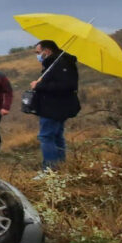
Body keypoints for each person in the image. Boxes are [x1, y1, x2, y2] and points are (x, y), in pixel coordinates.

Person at [30, 40, 81, 170]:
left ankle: (50, 169)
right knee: (57, 136)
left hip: (54, 107)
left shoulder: (61, 64)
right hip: (55, 106)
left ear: (47, 51)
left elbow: (66, 86)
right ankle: (61, 166)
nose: (37, 55)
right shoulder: (54, 63)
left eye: (38, 52)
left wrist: (39, 86)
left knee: (46, 136)